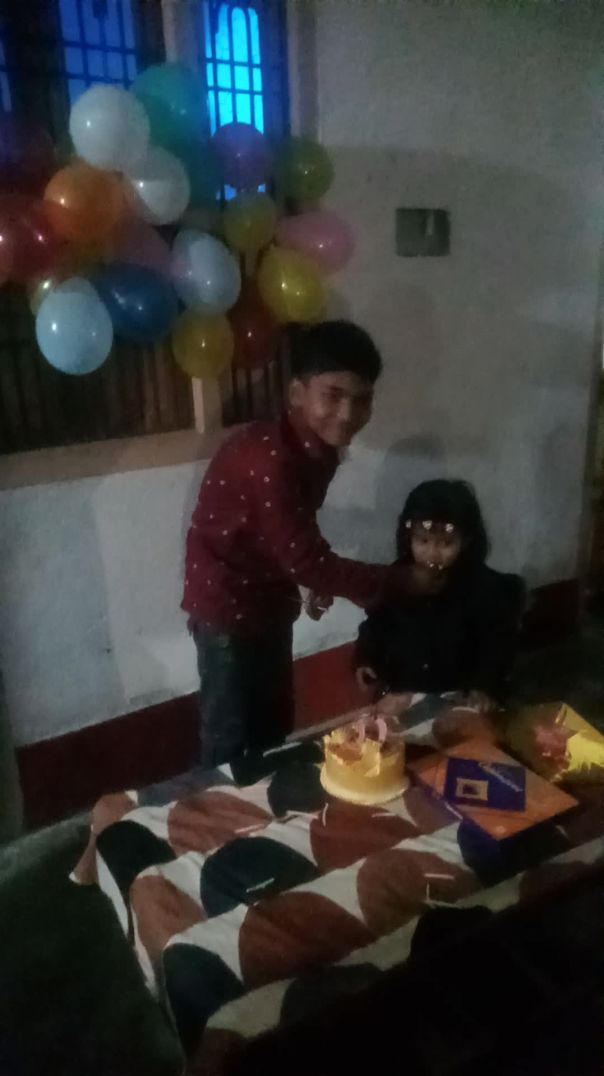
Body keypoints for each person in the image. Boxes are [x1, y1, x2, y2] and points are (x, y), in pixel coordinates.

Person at [183, 320, 418, 766]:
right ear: (296, 392)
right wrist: (396, 582)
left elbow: (293, 530)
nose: (347, 414)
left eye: (362, 400)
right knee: (229, 739)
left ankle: (269, 803)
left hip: (270, 594)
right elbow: (306, 558)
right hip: (225, 603)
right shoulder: (271, 460)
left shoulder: (314, 446)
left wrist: (311, 578)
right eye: (333, 395)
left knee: (273, 726)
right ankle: (222, 812)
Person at [354, 479, 525, 716]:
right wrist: (364, 659)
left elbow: (497, 644)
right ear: (409, 538)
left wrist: (484, 687)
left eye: (446, 543)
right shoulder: (397, 580)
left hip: (460, 701)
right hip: (405, 698)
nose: (432, 554)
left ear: (466, 540)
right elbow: (376, 626)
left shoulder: (485, 587)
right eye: (423, 541)